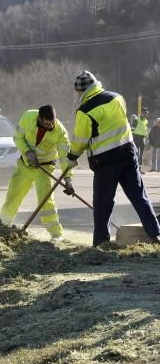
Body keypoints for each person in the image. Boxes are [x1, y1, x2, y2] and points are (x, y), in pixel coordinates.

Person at [67, 70, 160, 246]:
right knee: (139, 195)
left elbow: (80, 140)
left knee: (103, 201)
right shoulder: (117, 97)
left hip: (105, 161)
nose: (77, 95)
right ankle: (155, 234)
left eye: (78, 92)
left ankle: (102, 242)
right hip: (128, 153)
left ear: (83, 91)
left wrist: (72, 156)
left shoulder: (85, 111)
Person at [0, 105, 74, 240]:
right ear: (39, 119)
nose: (50, 126)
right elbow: (17, 137)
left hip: (44, 170)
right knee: (13, 197)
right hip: (24, 166)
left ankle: (56, 234)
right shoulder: (28, 117)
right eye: (47, 123)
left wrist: (68, 179)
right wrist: (27, 152)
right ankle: (2, 227)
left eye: (52, 123)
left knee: (46, 202)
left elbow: (64, 157)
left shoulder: (60, 132)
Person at [132, 106, 149, 172]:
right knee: (136, 154)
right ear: (141, 113)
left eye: (147, 113)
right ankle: (134, 168)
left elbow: (145, 131)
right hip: (136, 138)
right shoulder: (136, 120)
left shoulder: (146, 121)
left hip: (142, 139)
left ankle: (139, 169)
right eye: (144, 113)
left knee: (141, 155)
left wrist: (145, 137)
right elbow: (132, 130)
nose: (146, 114)